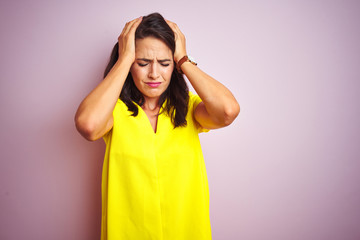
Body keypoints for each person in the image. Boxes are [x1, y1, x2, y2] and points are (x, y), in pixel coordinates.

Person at [75, 12, 240, 240]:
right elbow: (88, 125)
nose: (154, 74)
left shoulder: (189, 109)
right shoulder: (114, 111)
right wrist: (124, 59)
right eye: (142, 63)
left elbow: (228, 111)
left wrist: (183, 59)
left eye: (164, 63)